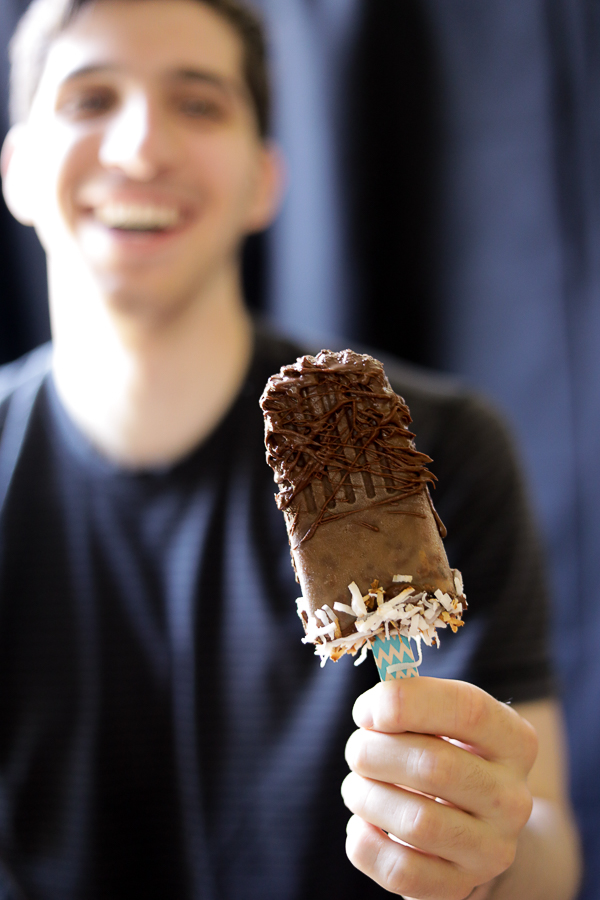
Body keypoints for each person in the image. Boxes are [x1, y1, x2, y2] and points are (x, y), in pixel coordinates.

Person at [0, 0, 581, 897]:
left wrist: (484, 854)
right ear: (17, 169)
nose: (141, 147)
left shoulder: (446, 450)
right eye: (89, 99)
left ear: (265, 178)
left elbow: (548, 853)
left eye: (199, 103)